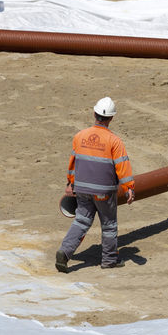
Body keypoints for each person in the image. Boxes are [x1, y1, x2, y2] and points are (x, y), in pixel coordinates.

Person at [56, 97, 136, 271]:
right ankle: (108, 260)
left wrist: (70, 184)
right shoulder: (114, 141)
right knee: (109, 225)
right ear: (111, 118)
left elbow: (72, 163)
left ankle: (64, 252)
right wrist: (129, 187)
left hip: (82, 188)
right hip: (104, 192)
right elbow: (122, 166)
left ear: (94, 113)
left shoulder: (80, 136)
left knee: (82, 221)